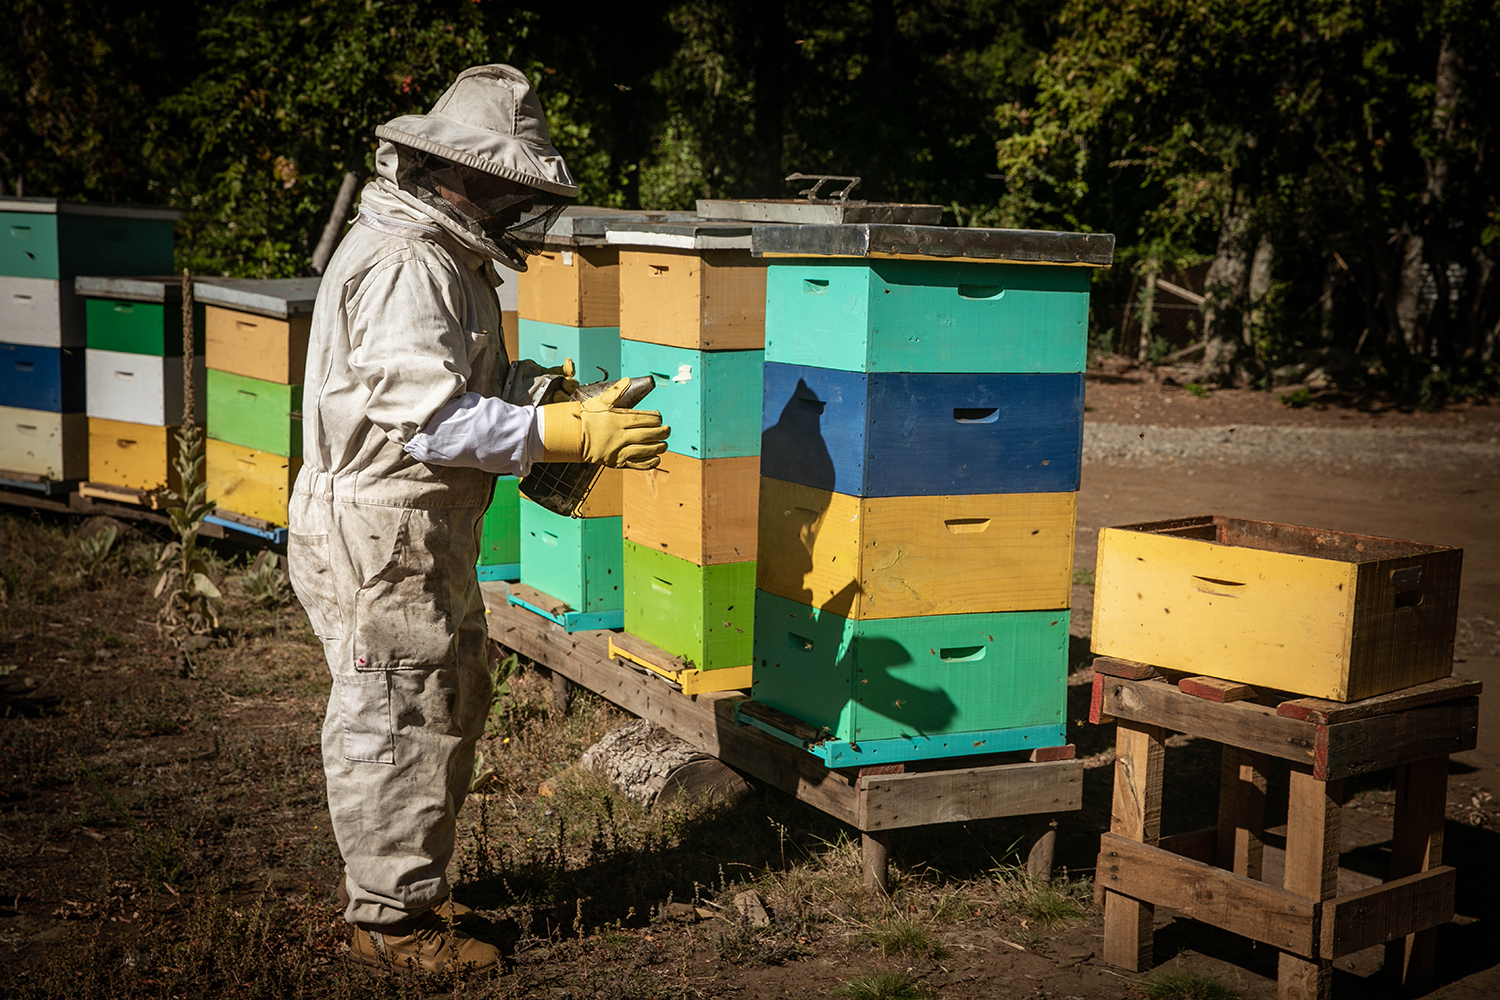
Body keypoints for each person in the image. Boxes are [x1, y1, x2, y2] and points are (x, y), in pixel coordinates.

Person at [286, 64, 669, 973]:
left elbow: (458, 389)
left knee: (444, 692)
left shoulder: (438, 252)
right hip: (384, 527)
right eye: (512, 189)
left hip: (413, 526)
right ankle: (390, 926)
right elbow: (430, 420)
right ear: (465, 174)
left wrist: (554, 403)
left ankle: (410, 887)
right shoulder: (409, 261)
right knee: (398, 708)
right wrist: (561, 429)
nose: (516, 209)